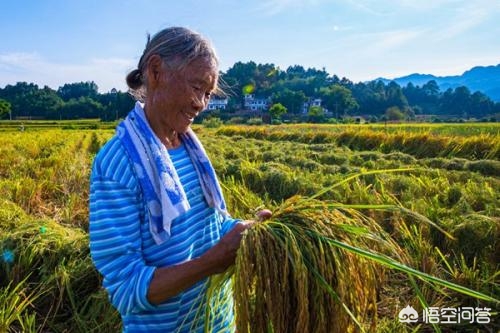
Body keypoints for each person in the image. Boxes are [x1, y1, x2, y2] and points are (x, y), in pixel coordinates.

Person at [89, 26, 271, 332]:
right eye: (196, 87)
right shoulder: (118, 163)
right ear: (156, 71)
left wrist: (244, 233)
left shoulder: (190, 148)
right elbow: (126, 289)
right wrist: (213, 261)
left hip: (220, 323)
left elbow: (209, 226)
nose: (201, 103)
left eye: (208, 93)